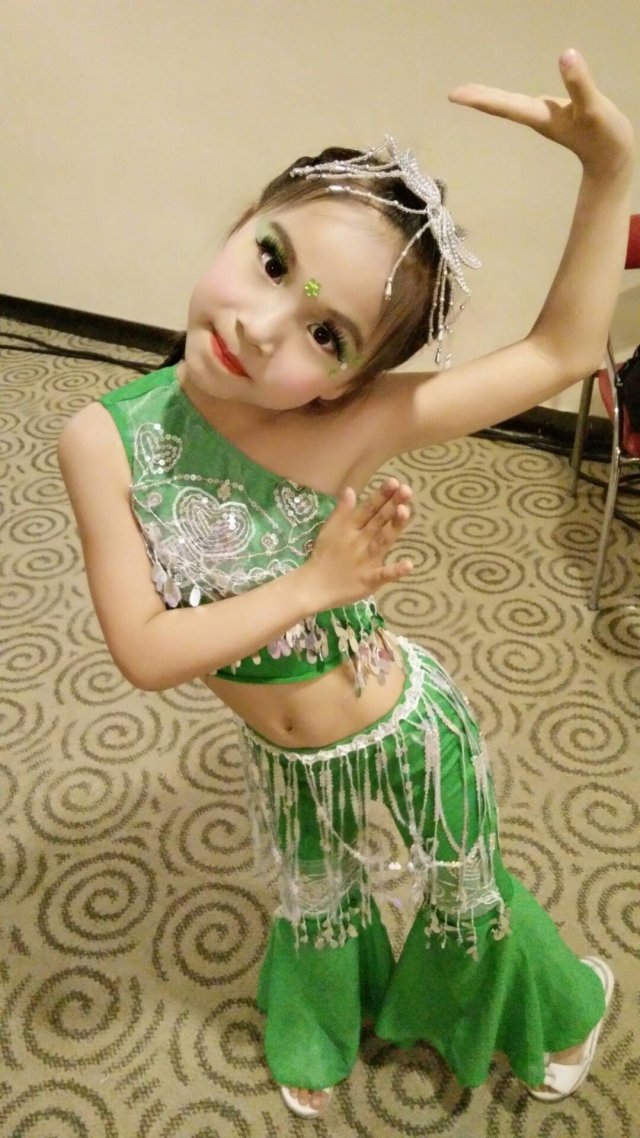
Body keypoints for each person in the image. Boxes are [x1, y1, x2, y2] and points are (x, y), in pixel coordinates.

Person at [58, 50, 634, 1119]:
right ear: (242, 221)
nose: (262, 325)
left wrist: (610, 172)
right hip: (283, 762)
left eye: (326, 335)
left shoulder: (347, 430)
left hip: (404, 729)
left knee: (466, 894)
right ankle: (317, 1022)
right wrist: (310, 583)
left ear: (353, 379)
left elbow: (560, 350)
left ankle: (565, 1007)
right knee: (313, 896)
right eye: (271, 261)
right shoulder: (101, 440)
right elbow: (141, 649)